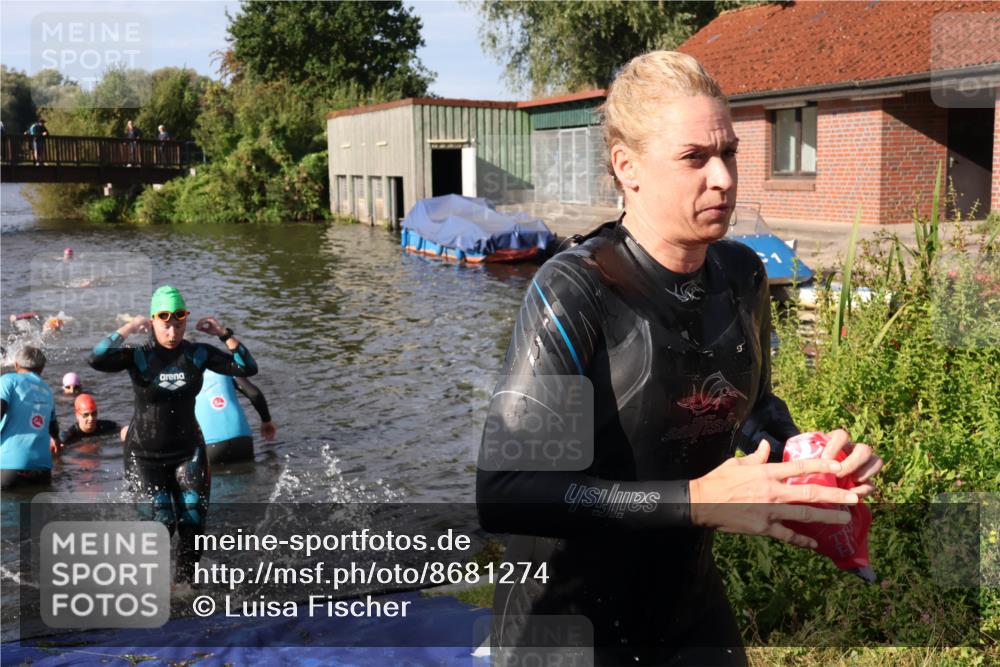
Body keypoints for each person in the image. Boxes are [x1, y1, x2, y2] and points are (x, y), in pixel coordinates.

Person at [476, 51, 884, 666]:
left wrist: (807, 455)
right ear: (628, 166)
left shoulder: (742, 275)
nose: (722, 177)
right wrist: (695, 500)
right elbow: (506, 493)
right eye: (695, 158)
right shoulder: (578, 290)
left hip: (688, 606)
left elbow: (746, 406)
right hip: (568, 623)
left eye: (730, 153)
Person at [89, 285, 258, 584]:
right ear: (154, 321)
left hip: (188, 451)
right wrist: (128, 327)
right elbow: (96, 358)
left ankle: (183, 587)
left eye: (178, 324)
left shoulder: (198, 354)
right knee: (162, 523)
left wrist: (223, 332)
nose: (172, 331)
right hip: (143, 456)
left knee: (193, 523)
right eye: (165, 324)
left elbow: (248, 367)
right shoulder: (139, 356)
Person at [1, 346, 60, 489]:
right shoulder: (48, 390)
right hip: (42, 470)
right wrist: (56, 440)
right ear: (42, 368)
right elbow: (53, 426)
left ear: (16, 365)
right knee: (34, 511)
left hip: (8, 467)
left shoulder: (8, 380)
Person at [195, 370, 276, 464]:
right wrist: (266, 421)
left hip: (210, 444)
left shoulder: (184, 374)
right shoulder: (223, 367)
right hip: (242, 438)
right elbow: (255, 394)